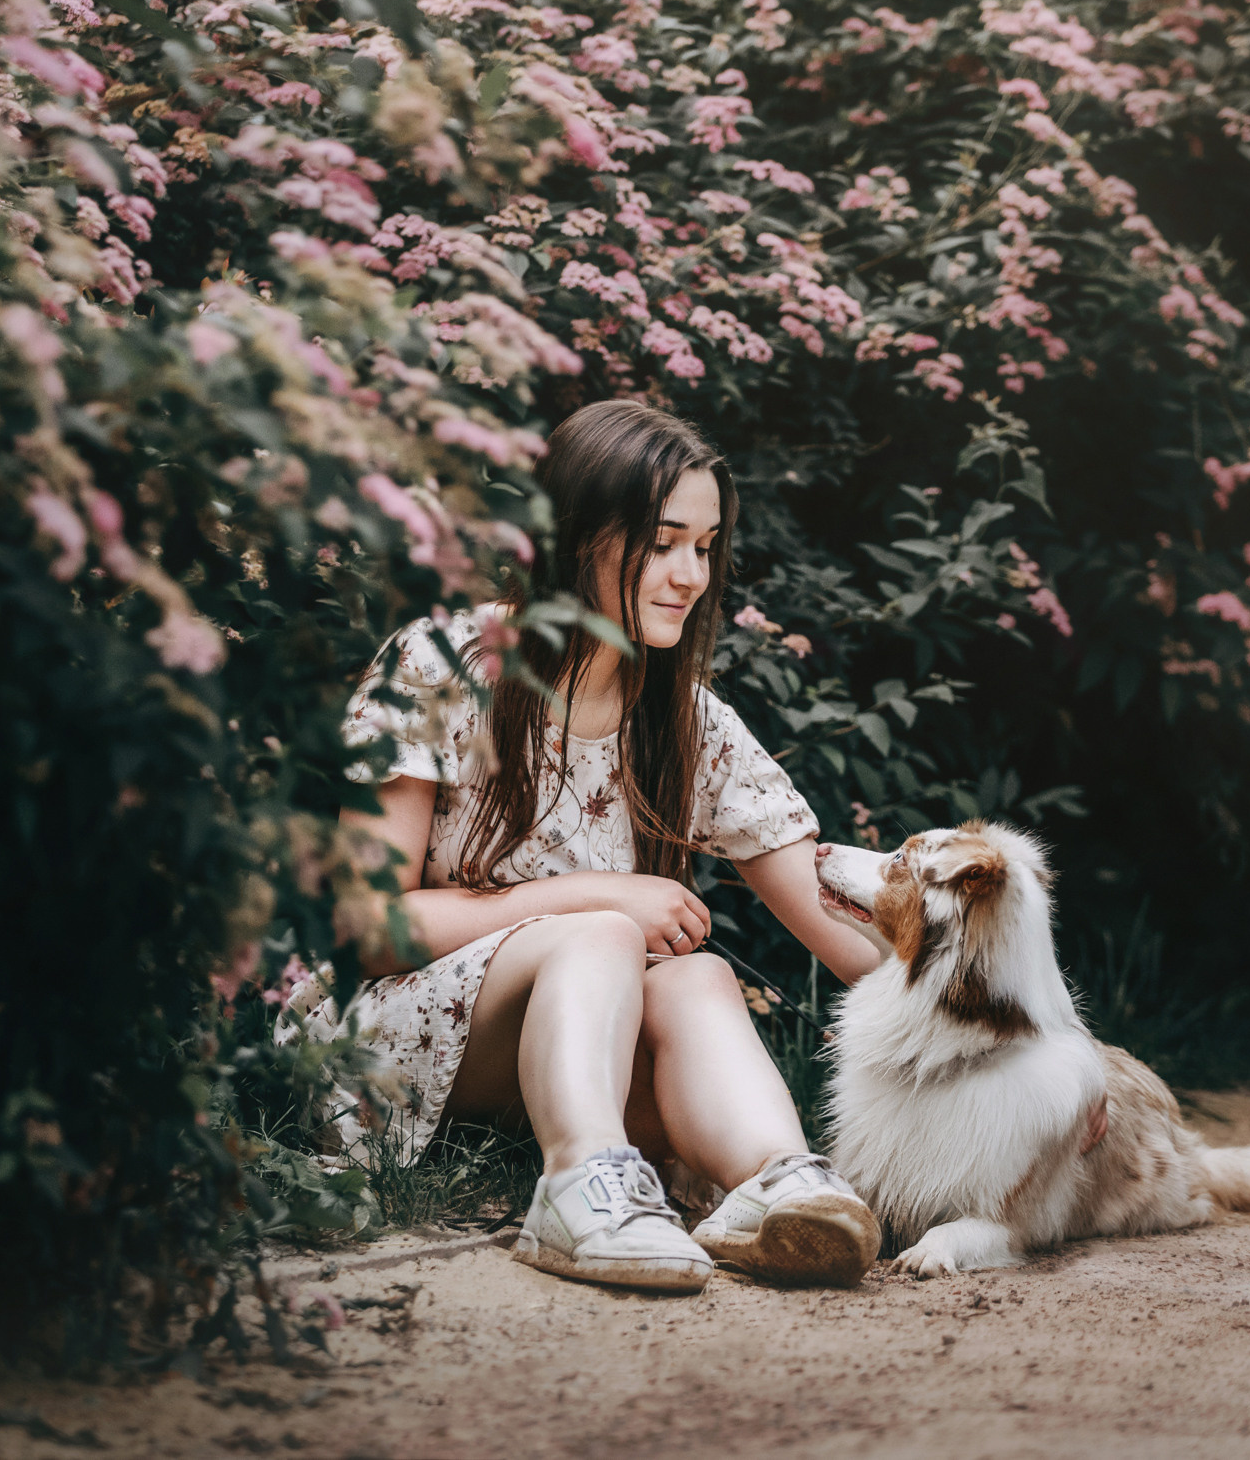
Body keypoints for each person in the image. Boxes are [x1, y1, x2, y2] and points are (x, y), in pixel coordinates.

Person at [287, 399, 886, 1293]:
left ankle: (778, 1184)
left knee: (698, 975)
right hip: (398, 1047)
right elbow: (370, 928)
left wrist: (1048, 1063)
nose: (691, 573)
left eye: (707, 545)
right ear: (579, 537)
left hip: (580, 1052)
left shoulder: (682, 719)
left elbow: (849, 936)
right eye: (664, 541)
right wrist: (600, 895)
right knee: (606, 932)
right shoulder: (442, 664)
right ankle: (580, 1183)